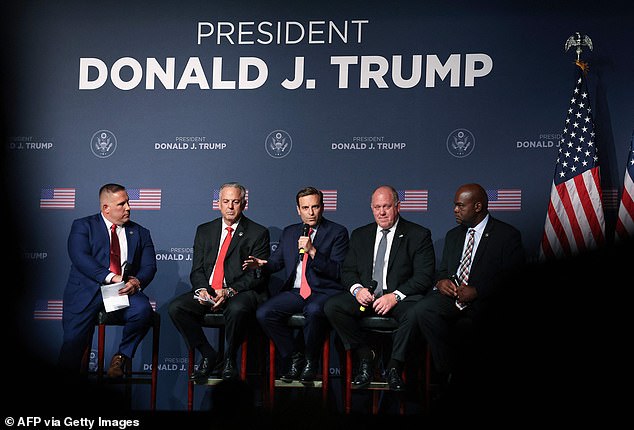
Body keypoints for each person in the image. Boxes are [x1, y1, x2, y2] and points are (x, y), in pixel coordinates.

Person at [413, 183, 525, 399]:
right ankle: (449, 371)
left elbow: (512, 277)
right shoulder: (453, 235)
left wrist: (478, 291)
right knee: (422, 310)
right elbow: (443, 270)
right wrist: (441, 282)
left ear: (478, 206)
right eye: (455, 205)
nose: (455, 210)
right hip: (452, 299)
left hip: (484, 302)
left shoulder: (506, 235)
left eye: (460, 205)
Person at [324, 185, 435, 391]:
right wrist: (358, 290)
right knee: (333, 306)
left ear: (397, 207)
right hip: (367, 298)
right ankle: (365, 356)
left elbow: (424, 276)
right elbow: (348, 271)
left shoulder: (418, 234)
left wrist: (396, 296)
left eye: (386, 206)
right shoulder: (360, 235)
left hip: (399, 299)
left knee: (416, 312)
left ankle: (394, 366)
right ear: (372, 208)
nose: (382, 212)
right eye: (377, 207)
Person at [244, 187, 349, 384]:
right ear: (298, 210)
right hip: (296, 291)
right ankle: (294, 356)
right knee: (264, 313)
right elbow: (277, 262)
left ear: (323, 207)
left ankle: (311, 361)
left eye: (315, 207)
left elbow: (338, 271)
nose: (311, 212)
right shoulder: (290, 232)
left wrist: (313, 251)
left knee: (314, 309)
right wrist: (261, 265)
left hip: (324, 291)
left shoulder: (337, 232)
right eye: (306, 207)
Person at [168, 182, 270, 383]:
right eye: (226, 202)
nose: (230, 207)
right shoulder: (205, 230)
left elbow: (256, 275)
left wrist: (229, 291)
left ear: (244, 204)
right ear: (218, 204)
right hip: (209, 290)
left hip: (239, 292)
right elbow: (197, 270)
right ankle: (207, 353)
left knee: (238, 309)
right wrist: (202, 290)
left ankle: (230, 358)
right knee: (176, 308)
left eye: (235, 202)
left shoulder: (258, 232)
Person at [58, 183, 157, 377]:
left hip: (121, 291)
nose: (128, 207)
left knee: (143, 310)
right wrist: (112, 277)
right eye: (122, 204)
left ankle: (121, 357)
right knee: (72, 345)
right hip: (86, 291)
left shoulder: (140, 232)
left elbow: (149, 266)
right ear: (106, 208)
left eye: (128, 202)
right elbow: (80, 257)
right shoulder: (83, 226)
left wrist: (136, 281)